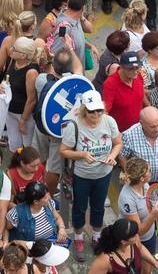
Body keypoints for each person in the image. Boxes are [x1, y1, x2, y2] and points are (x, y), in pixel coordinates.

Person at [59, 91, 122, 254]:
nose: (96, 114)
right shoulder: (74, 125)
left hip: (103, 174)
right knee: (79, 207)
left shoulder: (109, 122)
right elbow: (63, 151)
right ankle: (78, 237)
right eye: (92, 111)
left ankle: (96, 236)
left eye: (99, 110)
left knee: (98, 207)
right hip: (82, 176)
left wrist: (112, 156)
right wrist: (82, 154)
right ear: (84, 110)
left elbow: (117, 143)